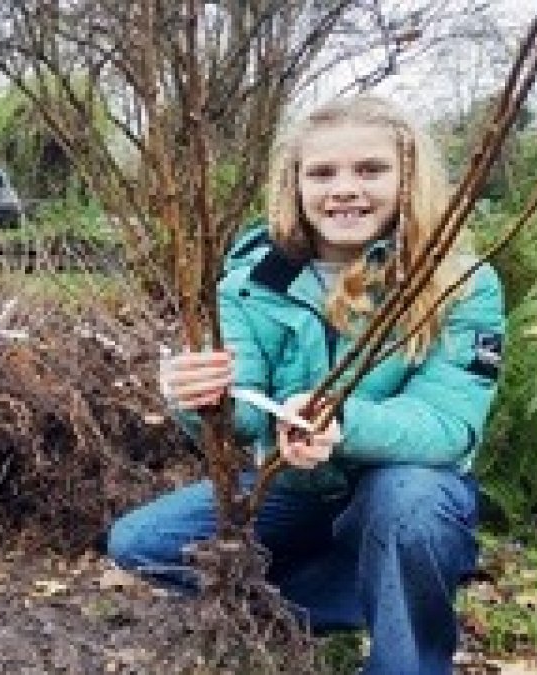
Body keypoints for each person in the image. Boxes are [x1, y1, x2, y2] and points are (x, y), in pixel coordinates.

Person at [108, 96, 505, 674]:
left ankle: (406, 649)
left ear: (408, 178)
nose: (344, 189)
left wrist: (341, 422)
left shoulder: (460, 281)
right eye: (322, 173)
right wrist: (204, 399)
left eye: (370, 170)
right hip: (296, 487)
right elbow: (244, 419)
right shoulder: (251, 280)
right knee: (142, 543)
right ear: (294, 184)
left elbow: (449, 426)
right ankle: (359, 594)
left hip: (404, 486)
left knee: (408, 503)